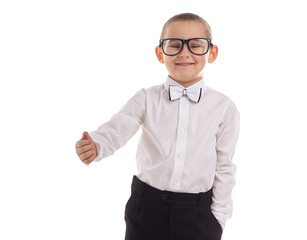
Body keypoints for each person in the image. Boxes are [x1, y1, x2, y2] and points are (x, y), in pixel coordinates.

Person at [75, 12, 240, 240]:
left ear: (212, 53)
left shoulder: (224, 107)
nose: (184, 52)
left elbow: (224, 166)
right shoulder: (146, 98)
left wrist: (218, 219)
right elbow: (119, 126)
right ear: (160, 53)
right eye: (174, 45)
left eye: (195, 45)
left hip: (198, 215)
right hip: (146, 208)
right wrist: (97, 144)